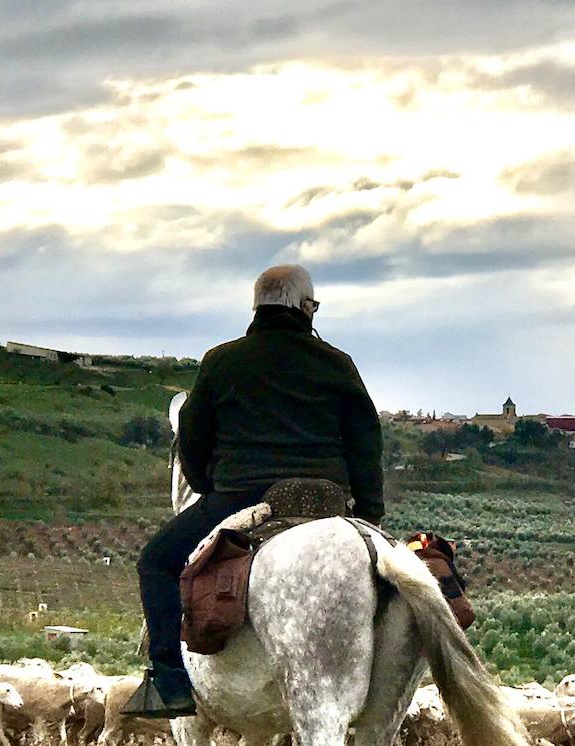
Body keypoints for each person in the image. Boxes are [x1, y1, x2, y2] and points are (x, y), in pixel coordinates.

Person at [123, 264, 385, 718]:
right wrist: (371, 514)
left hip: (242, 496)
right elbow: (366, 441)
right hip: (326, 503)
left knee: (156, 561)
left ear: (257, 308)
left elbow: (192, 437)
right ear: (306, 308)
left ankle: (168, 681)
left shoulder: (222, 361)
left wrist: (209, 488)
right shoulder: (337, 363)